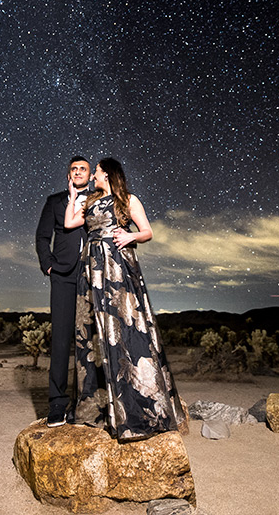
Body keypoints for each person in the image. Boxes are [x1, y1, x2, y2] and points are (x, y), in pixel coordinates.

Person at [64, 157, 185, 440]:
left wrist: (130, 238)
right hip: (90, 266)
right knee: (90, 332)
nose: (92, 175)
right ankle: (95, 408)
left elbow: (147, 232)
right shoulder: (89, 200)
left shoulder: (128, 200)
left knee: (124, 328)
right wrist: (73, 196)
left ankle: (134, 407)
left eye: (96, 171)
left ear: (107, 174)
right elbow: (70, 223)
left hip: (116, 267)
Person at [35, 156, 91, 427]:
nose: (78, 172)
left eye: (83, 169)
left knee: (90, 341)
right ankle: (57, 405)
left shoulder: (99, 199)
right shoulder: (55, 201)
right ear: (68, 174)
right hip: (64, 277)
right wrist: (48, 266)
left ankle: (87, 403)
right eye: (74, 169)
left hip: (93, 276)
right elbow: (42, 236)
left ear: (90, 175)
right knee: (60, 340)